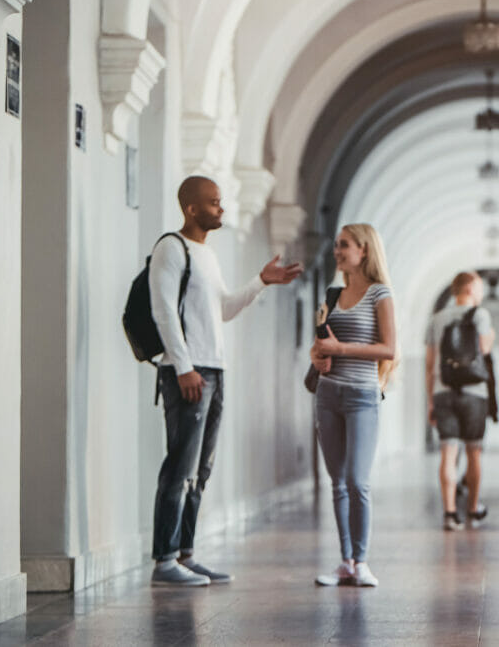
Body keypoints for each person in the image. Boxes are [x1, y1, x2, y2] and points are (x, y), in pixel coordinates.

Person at [149, 175, 303, 586]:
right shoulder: (171, 248)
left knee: (201, 469)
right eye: (214, 203)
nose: (222, 209)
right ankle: (164, 560)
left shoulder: (208, 256)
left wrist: (261, 282)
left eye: (221, 202)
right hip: (188, 371)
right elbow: (163, 311)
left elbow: (225, 310)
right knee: (180, 465)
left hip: (214, 369)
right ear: (191, 208)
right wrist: (183, 367)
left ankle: (185, 553)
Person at [309, 223, 397, 588]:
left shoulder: (380, 294)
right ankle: (344, 561)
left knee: (357, 481)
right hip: (327, 394)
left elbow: (390, 349)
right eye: (336, 245)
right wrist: (318, 357)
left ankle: (362, 561)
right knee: (337, 483)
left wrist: (341, 350)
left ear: (364, 250)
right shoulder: (331, 293)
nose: (337, 251)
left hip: (362, 396)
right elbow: (319, 346)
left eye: (344, 245)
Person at [426, 271, 495, 531]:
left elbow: (430, 364)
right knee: (473, 453)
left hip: (443, 391)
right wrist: (491, 335)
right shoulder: (481, 315)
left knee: (447, 453)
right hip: (474, 392)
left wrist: (431, 401)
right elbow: (485, 349)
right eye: (478, 288)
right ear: (468, 289)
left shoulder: (437, 319)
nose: (481, 294)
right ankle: (473, 509)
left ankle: (449, 513)